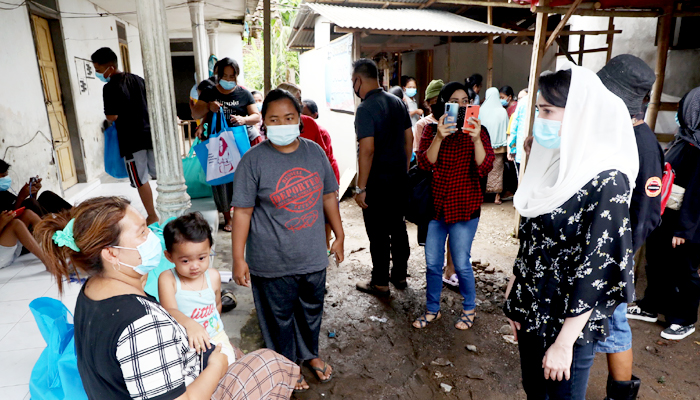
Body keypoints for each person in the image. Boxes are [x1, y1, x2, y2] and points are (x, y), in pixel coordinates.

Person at [35, 196, 299, 399]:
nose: (153, 236)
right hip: (191, 386)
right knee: (270, 364)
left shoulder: (92, 290)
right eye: (141, 232)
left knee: (239, 354)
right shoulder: (141, 326)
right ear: (112, 254)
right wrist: (216, 367)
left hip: (173, 373)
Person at [504, 65, 638, 400]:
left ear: (580, 113)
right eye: (538, 110)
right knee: (534, 391)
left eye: (548, 110)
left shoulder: (608, 180)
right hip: (530, 309)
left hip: (569, 324)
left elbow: (598, 268)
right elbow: (532, 238)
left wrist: (564, 343)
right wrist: (513, 294)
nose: (541, 119)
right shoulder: (558, 163)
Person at [231, 89, 344, 393]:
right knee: (278, 318)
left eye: (289, 118)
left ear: (300, 119)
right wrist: (238, 257)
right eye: (274, 119)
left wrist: (340, 234)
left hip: (312, 256)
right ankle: (286, 364)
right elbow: (241, 212)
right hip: (271, 260)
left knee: (311, 309)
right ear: (263, 122)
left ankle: (310, 353)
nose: (282, 124)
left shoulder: (314, 152)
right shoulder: (253, 161)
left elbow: (328, 196)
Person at [596, 54, 663, 399]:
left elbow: (648, 212)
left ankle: (621, 394)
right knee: (608, 319)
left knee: (616, 320)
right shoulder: (620, 134)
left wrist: (621, 254)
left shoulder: (644, 145)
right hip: (605, 246)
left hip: (616, 251)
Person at [413, 82, 494, 330]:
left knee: (460, 263)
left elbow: (485, 166)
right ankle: (432, 309)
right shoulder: (430, 130)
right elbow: (425, 164)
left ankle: (469, 308)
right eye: (454, 101)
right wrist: (439, 136)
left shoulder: (480, 131)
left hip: (465, 207)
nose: (460, 106)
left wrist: (477, 138)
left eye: (464, 101)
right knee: (432, 263)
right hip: (437, 208)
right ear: (443, 104)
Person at [628, 86, 700, 341]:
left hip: (686, 222)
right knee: (657, 262)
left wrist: (684, 230)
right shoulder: (685, 138)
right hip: (667, 215)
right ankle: (651, 306)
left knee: (683, 270)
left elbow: (697, 193)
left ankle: (683, 319)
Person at [352, 59, 413, 296]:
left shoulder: (365, 108)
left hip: (377, 182)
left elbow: (367, 150)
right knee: (398, 228)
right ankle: (399, 275)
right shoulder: (397, 102)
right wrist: (404, 169)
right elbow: (409, 139)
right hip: (399, 179)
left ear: (358, 80)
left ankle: (380, 282)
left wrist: (361, 188)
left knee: (378, 233)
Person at [192, 58, 262, 232]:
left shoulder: (243, 93)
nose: (229, 80)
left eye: (233, 76)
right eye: (225, 76)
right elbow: (196, 113)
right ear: (218, 75)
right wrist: (208, 107)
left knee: (241, 178)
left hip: (238, 141)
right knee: (220, 178)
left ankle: (241, 214)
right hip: (217, 141)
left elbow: (257, 116)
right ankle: (227, 217)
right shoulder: (209, 92)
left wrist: (244, 119)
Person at [92, 47, 159, 226]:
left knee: (140, 179)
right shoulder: (138, 80)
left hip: (131, 140)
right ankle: (164, 207)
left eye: (99, 70)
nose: (99, 74)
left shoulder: (110, 87)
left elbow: (112, 116)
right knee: (156, 173)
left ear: (110, 68)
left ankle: (152, 215)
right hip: (150, 135)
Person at [159, 212, 237, 365]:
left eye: (202, 258)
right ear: (169, 256)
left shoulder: (213, 276)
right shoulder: (168, 279)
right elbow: (170, 311)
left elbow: (217, 304)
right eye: (186, 260)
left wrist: (214, 328)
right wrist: (191, 325)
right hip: (187, 340)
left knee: (228, 365)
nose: (195, 266)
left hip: (216, 336)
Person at [278, 83, 340, 183]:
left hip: (311, 181)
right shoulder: (272, 125)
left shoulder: (309, 123)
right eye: (297, 99)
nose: (300, 104)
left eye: (299, 99)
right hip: (284, 181)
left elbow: (323, 156)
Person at [480, 87, 510, 205]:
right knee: (497, 170)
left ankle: (482, 194)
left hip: (483, 146)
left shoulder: (481, 110)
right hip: (499, 147)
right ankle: (497, 196)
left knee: (484, 170)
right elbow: (507, 128)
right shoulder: (502, 111)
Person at [414, 79, 445, 152]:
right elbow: (418, 153)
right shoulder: (422, 124)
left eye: (442, 100)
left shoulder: (451, 122)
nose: (439, 103)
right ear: (428, 103)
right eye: (436, 100)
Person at [507, 89, 530, 170]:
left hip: (521, 151)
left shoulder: (523, 102)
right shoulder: (549, 100)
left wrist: (512, 149)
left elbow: (513, 129)